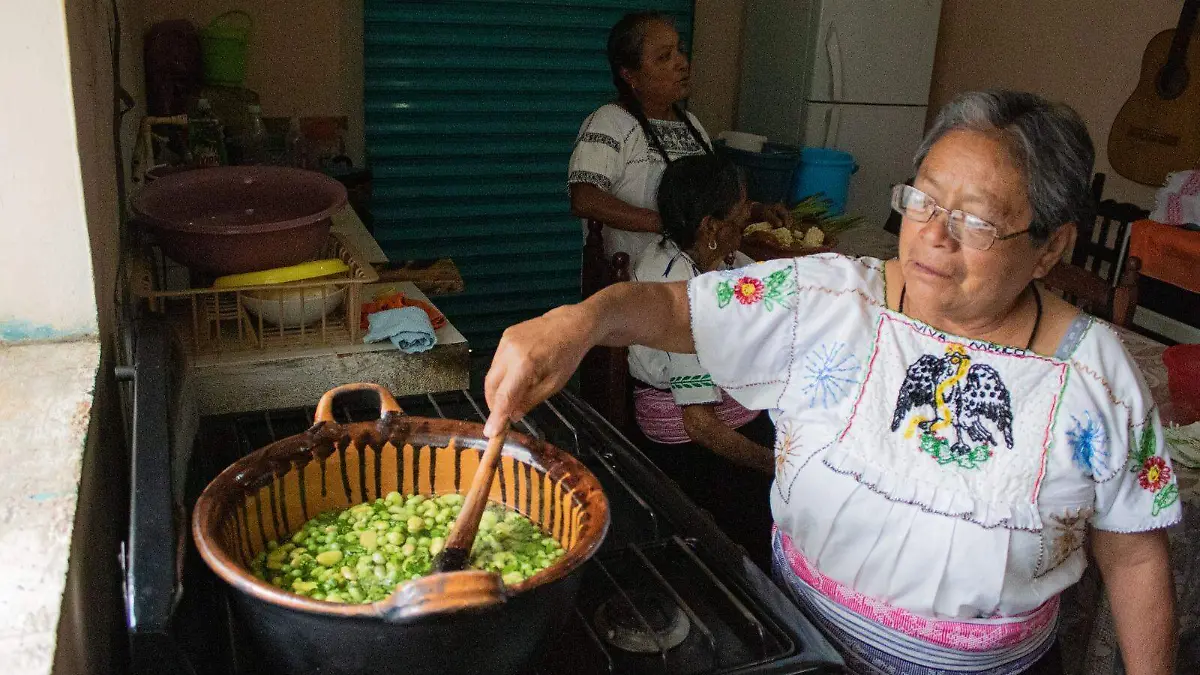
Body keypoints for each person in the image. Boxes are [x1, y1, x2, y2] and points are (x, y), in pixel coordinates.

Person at [487, 90, 1181, 675]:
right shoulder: (830, 299)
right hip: (800, 645)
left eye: (975, 221)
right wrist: (581, 319)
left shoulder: (1097, 378)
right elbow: (676, 308)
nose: (935, 236)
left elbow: (1134, 555)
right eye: (924, 201)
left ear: (1052, 246)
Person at [628, 154, 775, 567]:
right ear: (710, 226)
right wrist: (777, 467)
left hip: (723, 410)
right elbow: (700, 424)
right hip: (690, 445)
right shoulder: (679, 293)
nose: (750, 212)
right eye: (742, 206)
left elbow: (762, 283)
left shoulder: (701, 254)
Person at [568, 11, 791, 269]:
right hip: (642, 279)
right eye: (664, 57)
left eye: (680, 51)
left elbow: (711, 198)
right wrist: (669, 224)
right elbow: (584, 199)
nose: (682, 63)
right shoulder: (611, 122)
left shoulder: (691, 124)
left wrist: (756, 211)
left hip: (696, 270)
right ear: (630, 75)